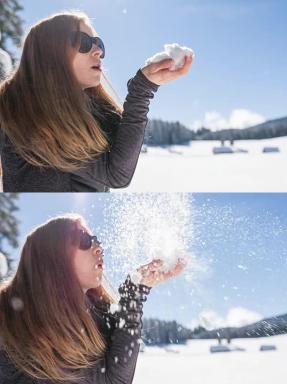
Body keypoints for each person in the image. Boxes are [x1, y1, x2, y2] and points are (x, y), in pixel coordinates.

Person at [0, 11, 193, 192]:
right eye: (83, 42)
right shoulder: (26, 114)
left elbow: (120, 157)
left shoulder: (91, 111)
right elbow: (116, 174)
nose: (98, 50)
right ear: (50, 52)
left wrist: (145, 84)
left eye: (99, 43)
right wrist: (141, 90)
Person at [0, 214, 186, 383]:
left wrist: (136, 289)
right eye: (84, 239)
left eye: (96, 240)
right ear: (51, 257)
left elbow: (114, 379)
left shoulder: (96, 320)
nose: (98, 248)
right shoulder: (8, 327)